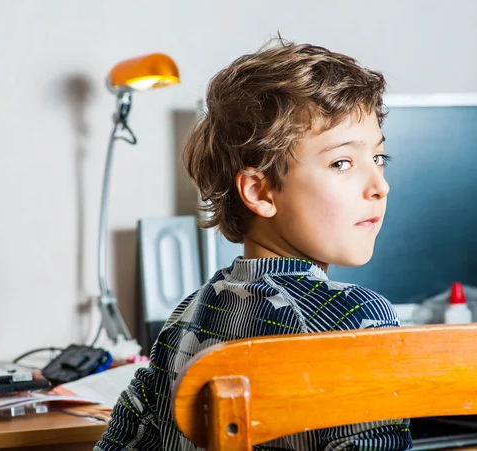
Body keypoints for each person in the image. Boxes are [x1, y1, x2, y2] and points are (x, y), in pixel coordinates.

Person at [95, 36, 412, 451]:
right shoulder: (354, 317)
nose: (379, 185)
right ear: (260, 192)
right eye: (342, 162)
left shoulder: (185, 319)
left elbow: (120, 442)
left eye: (379, 159)